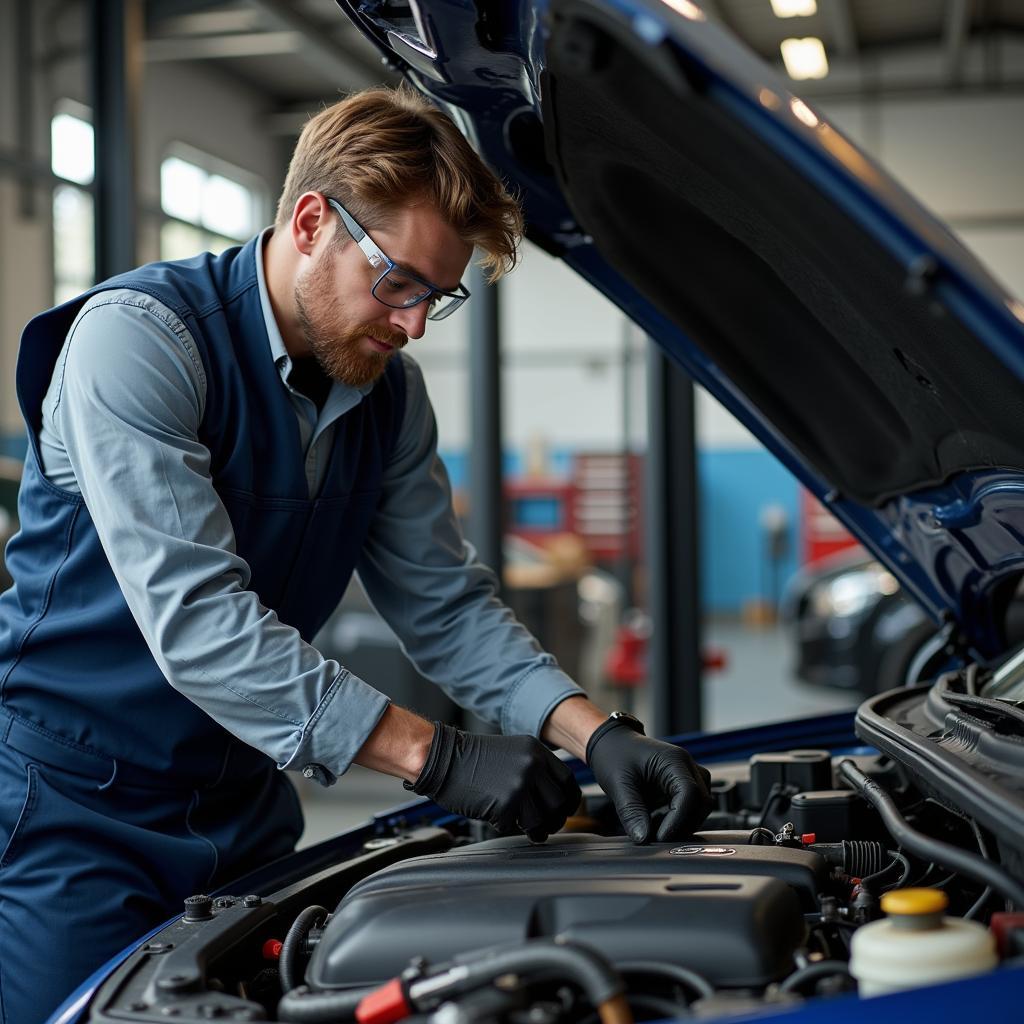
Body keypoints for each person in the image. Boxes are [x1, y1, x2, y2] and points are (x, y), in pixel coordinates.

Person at [0, 87, 712, 1023]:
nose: (415, 323)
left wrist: (593, 731)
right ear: (310, 222)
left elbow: (444, 604)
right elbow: (202, 626)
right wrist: (439, 756)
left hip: (244, 802)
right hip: (78, 813)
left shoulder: (387, 396)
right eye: (399, 282)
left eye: (438, 296)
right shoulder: (139, 344)